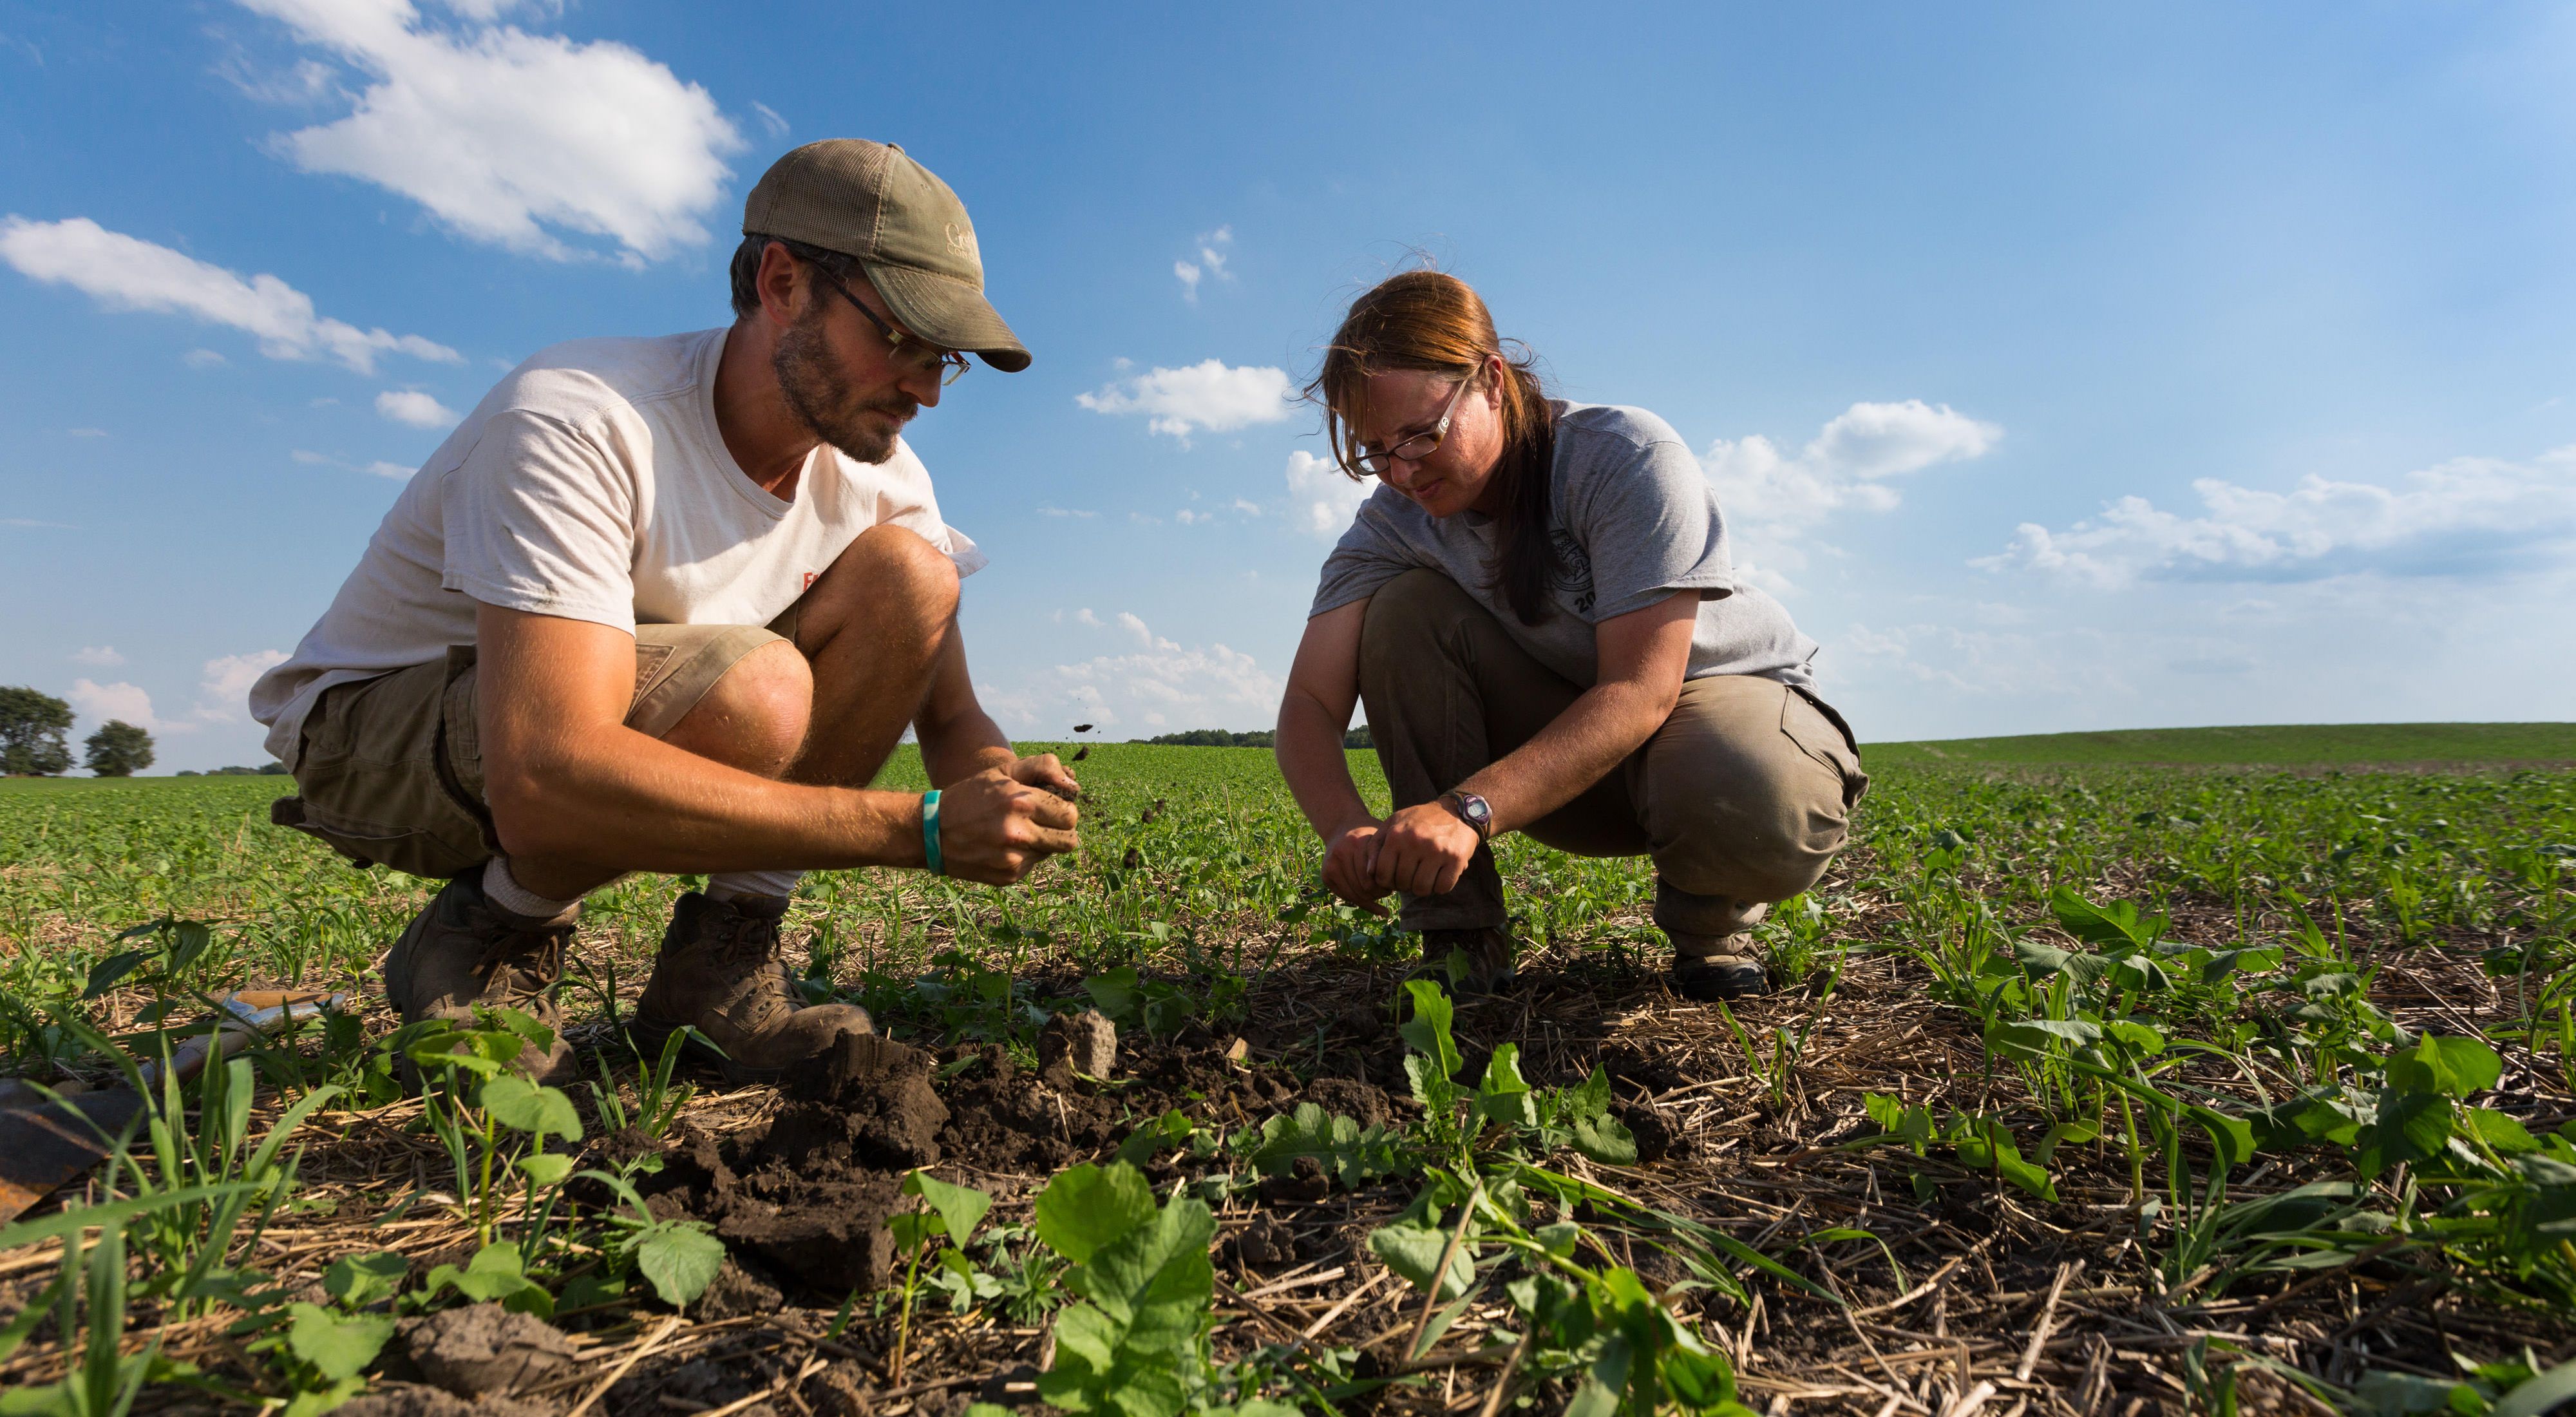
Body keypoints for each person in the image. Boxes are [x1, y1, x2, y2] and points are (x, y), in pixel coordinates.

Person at [251, 140, 1080, 1082]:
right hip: (379, 736)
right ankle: (488, 940)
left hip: (572, 727)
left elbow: (952, 713)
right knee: (756, 692)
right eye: (900, 340)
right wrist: (917, 830)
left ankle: (719, 972)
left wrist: (1001, 789)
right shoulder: (581, 417)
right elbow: (549, 772)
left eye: (946, 361)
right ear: (782, 282)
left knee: (916, 579)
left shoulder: (883, 479)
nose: (926, 390)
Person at [1273, 270, 1866, 1000]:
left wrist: (1468, 807)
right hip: (1573, 771)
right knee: (1401, 611)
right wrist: (1342, 827)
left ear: (1490, 380)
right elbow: (1309, 700)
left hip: (1707, 723)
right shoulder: (1393, 524)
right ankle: (1459, 935)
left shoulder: (1619, 455)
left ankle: (1710, 928)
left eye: (1423, 434)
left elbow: (1640, 690)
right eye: (1374, 450)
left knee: (1751, 783)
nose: (1401, 471)